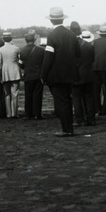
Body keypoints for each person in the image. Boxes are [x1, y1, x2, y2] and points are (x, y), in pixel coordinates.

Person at [40, 7, 81, 137]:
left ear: (51, 20)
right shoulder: (72, 35)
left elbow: (48, 57)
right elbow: (78, 54)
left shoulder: (52, 36)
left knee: (61, 101)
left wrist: (43, 74)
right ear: (63, 18)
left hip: (56, 75)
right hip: (70, 75)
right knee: (68, 100)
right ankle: (69, 128)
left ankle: (67, 129)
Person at [0, 31, 22, 119]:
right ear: (11, 39)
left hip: (5, 72)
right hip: (15, 72)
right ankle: (14, 113)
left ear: (3, 39)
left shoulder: (0, 50)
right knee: (14, 93)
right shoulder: (16, 48)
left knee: (7, 94)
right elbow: (20, 61)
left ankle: (8, 114)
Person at [72, 30, 96, 126]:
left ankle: (79, 119)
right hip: (88, 74)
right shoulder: (88, 45)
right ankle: (91, 119)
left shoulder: (70, 46)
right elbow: (92, 58)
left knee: (76, 98)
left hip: (76, 75)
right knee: (89, 97)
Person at [20, 32, 45, 120]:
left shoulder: (22, 50)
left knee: (28, 95)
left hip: (28, 75)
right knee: (37, 95)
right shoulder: (41, 50)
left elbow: (21, 65)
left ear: (26, 40)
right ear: (34, 40)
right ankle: (37, 114)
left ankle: (28, 114)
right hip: (38, 75)